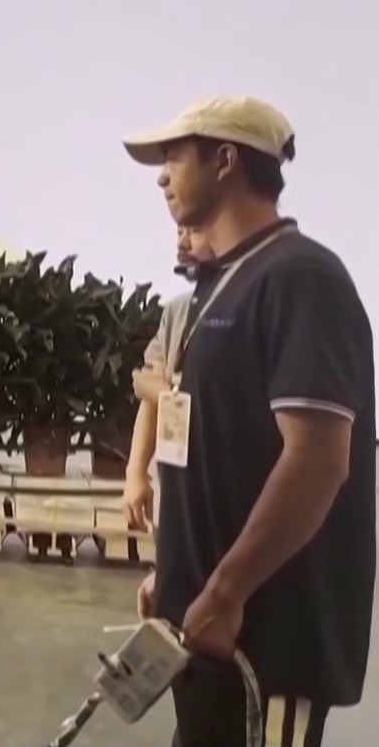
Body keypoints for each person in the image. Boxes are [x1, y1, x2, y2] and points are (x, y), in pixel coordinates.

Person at [120, 96, 376, 747]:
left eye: (174, 156)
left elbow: (317, 459)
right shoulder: (219, 286)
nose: (161, 176)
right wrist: (178, 576)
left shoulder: (301, 278)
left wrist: (227, 590)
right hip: (207, 628)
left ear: (226, 160)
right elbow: (218, 453)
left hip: (267, 646)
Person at [121, 225, 214, 532]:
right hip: (175, 484)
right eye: (179, 232)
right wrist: (136, 473)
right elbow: (150, 392)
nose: (182, 242)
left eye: (195, 230)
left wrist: (165, 392)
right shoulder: (178, 310)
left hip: (225, 494)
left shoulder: (244, 311)